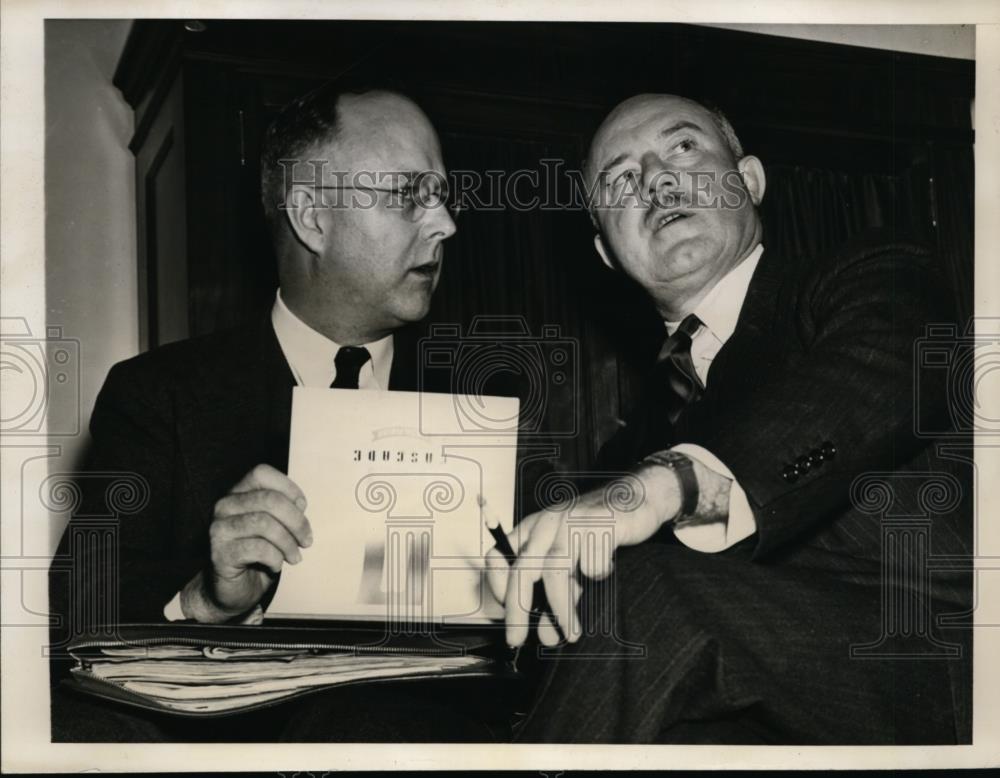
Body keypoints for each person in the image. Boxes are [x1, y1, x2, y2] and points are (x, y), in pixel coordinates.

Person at [487, 93, 972, 743]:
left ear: (749, 181)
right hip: (757, 703)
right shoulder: (627, 450)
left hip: (942, 660)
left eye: (683, 148)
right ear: (606, 250)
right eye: (621, 178)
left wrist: (674, 485)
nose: (656, 179)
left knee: (644, 595)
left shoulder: (866, 276)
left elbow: (882, 369)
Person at [47, 82, 507, 741]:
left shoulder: (487, 400)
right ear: (312, 218)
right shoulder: (159, 395)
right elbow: (73, 616)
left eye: (443, 197)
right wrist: (207, 599)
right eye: (410, 195)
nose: (446, 224)